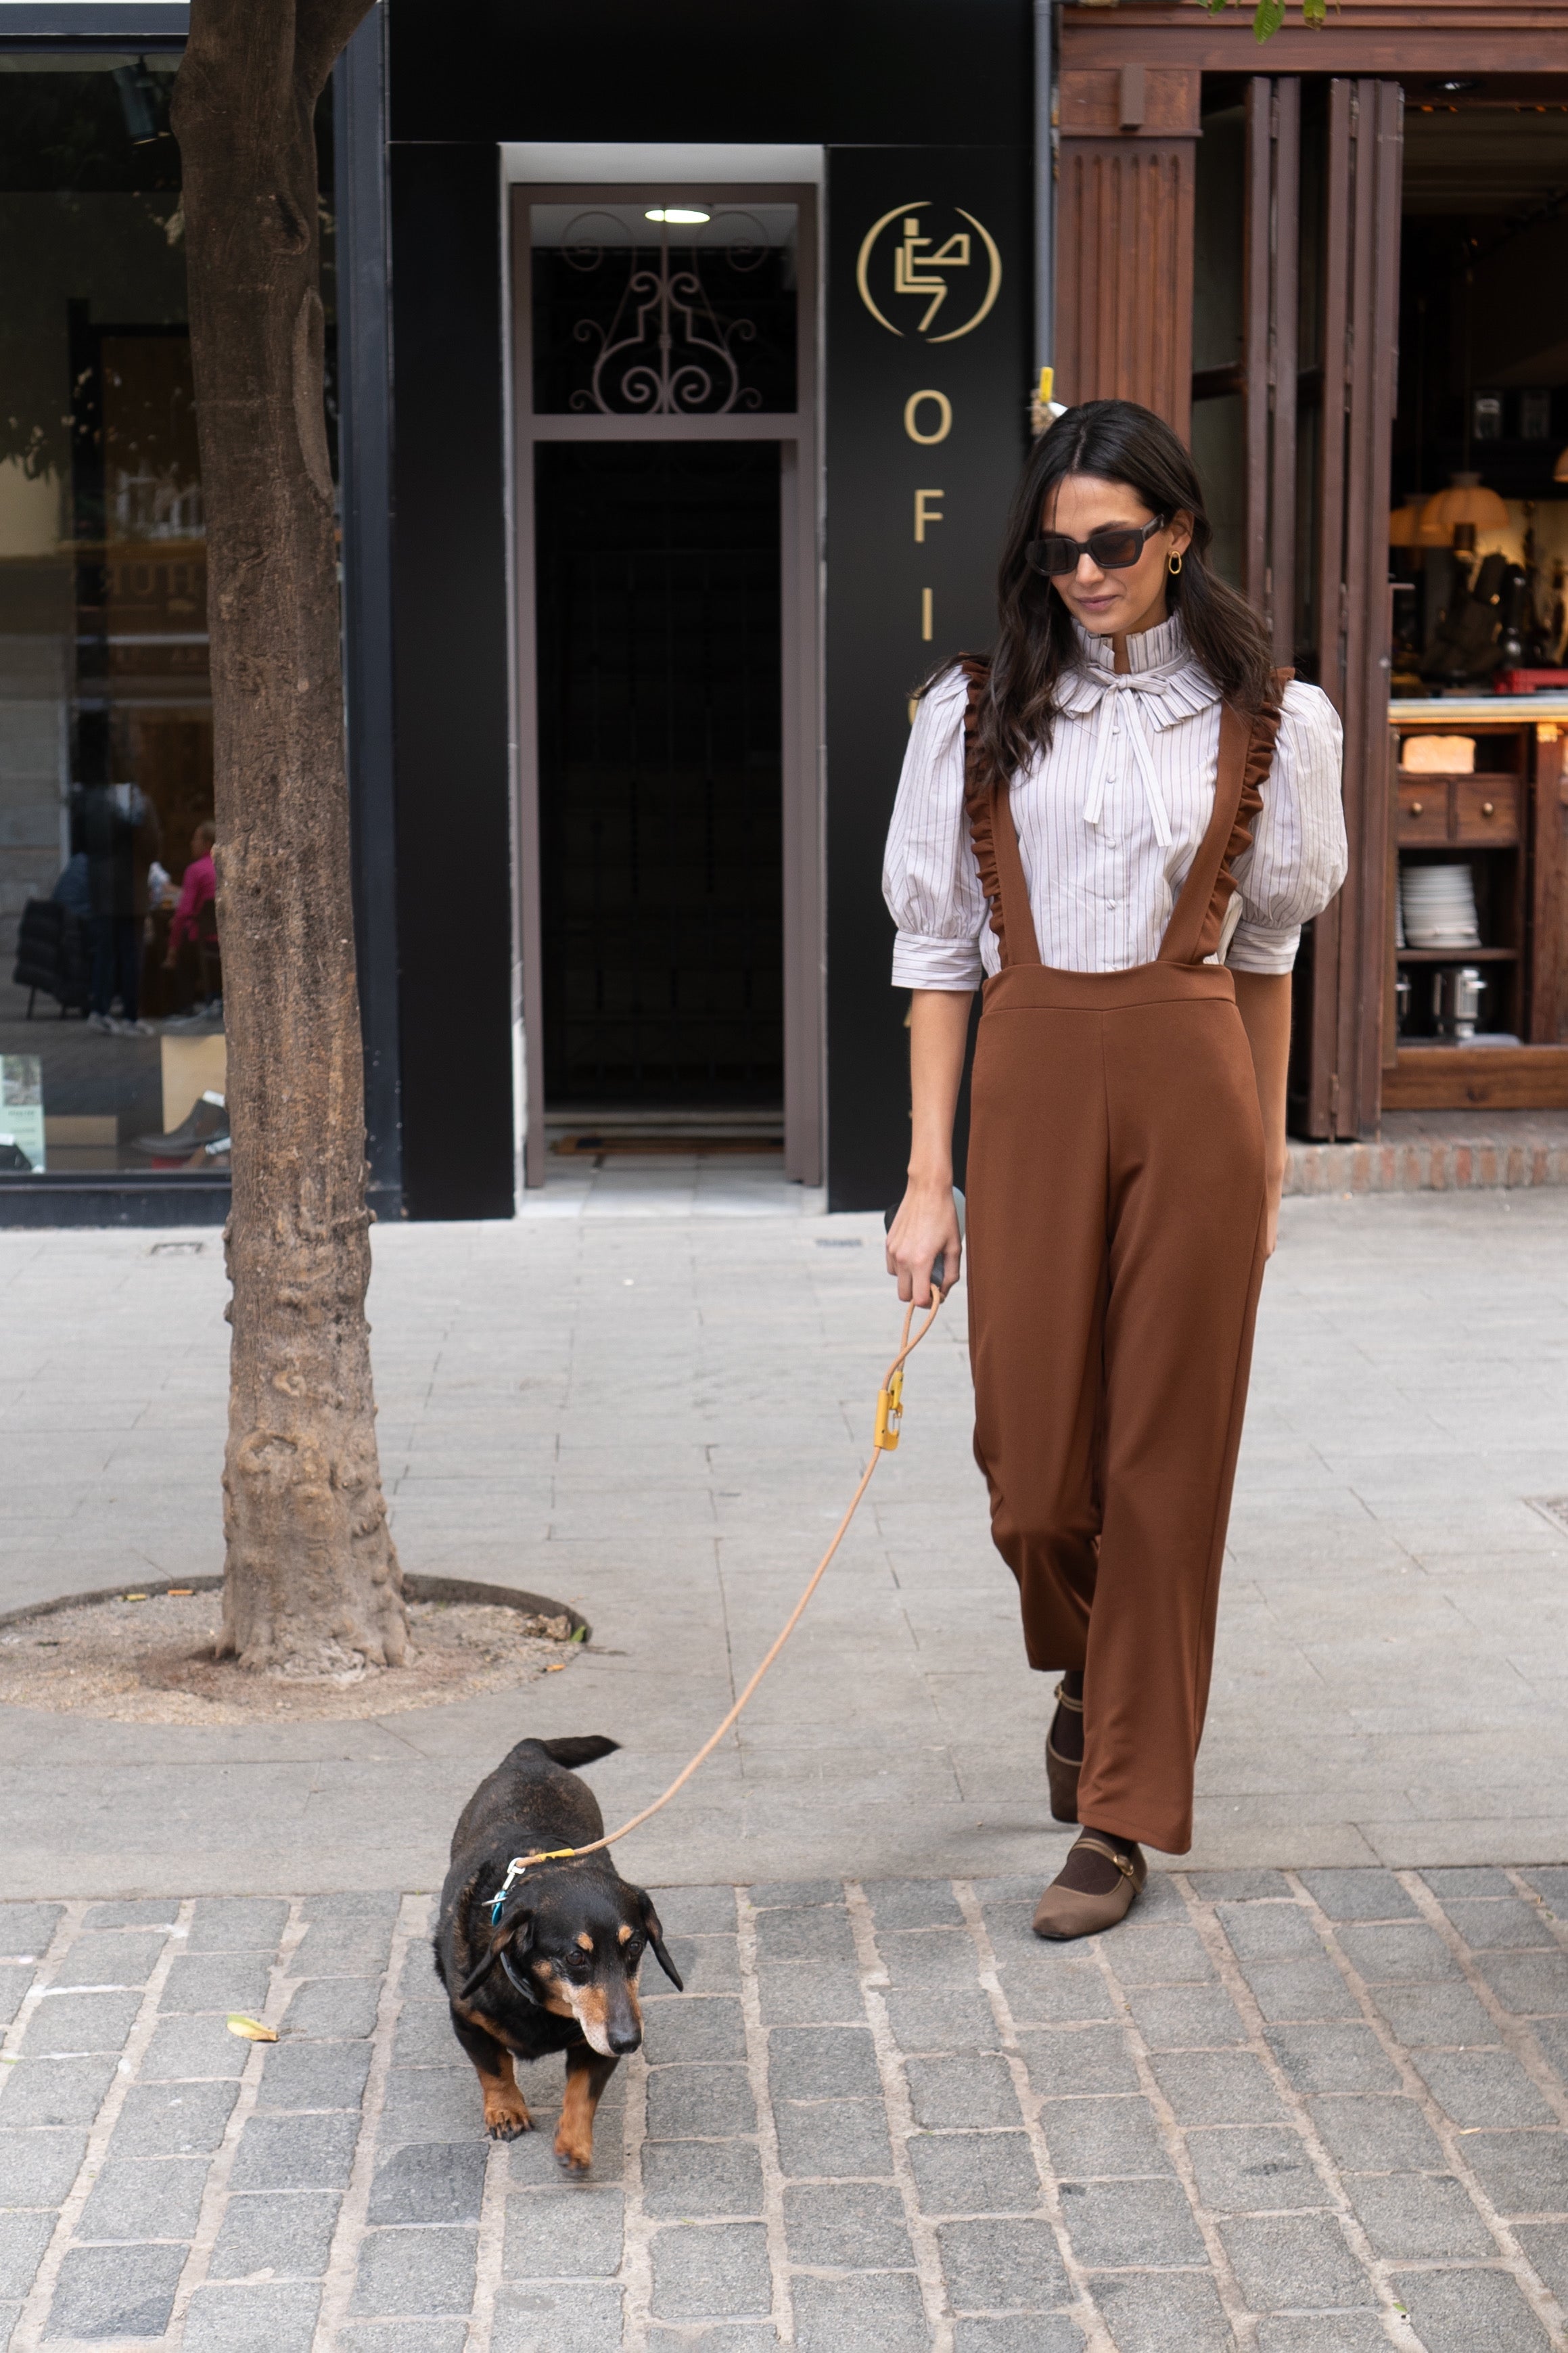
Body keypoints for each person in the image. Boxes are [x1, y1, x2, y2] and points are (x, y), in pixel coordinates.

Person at [882, 400, 1347, 1939]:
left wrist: (1267, 1160)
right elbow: (940, 955)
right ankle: (1091, 1659)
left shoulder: (1271, 716)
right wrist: (925, 1179)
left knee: (1165, 1459)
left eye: (1115, 542)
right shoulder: (973, 710)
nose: (1084, 569)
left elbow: (1268, 948)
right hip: (1028, 1076)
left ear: (1180, 534)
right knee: (1030, 1474)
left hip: (1196, 1084)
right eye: (1059, 544)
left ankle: (1122, 1807)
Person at [164, 819, 216, 969]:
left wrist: (172, 949)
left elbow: (183, 912)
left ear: (207, 843)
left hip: (202, 942)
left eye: (195, 838)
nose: (191, 843)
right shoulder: (224, 866)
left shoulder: (195, 870)